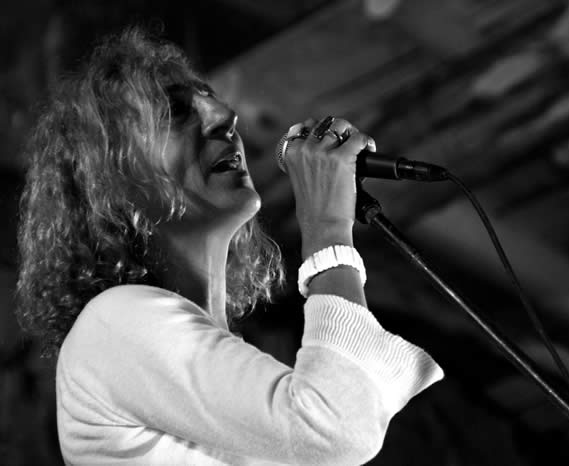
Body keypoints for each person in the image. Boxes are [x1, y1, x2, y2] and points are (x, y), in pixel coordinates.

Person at [16, 28, 443, 465]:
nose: (224, 115)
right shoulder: (111, 325)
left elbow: (339, 422)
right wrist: (327, 227)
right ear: (109, 180)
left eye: (209, 98)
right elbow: (336, 427)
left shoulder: (219, 371)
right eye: (175, 111)